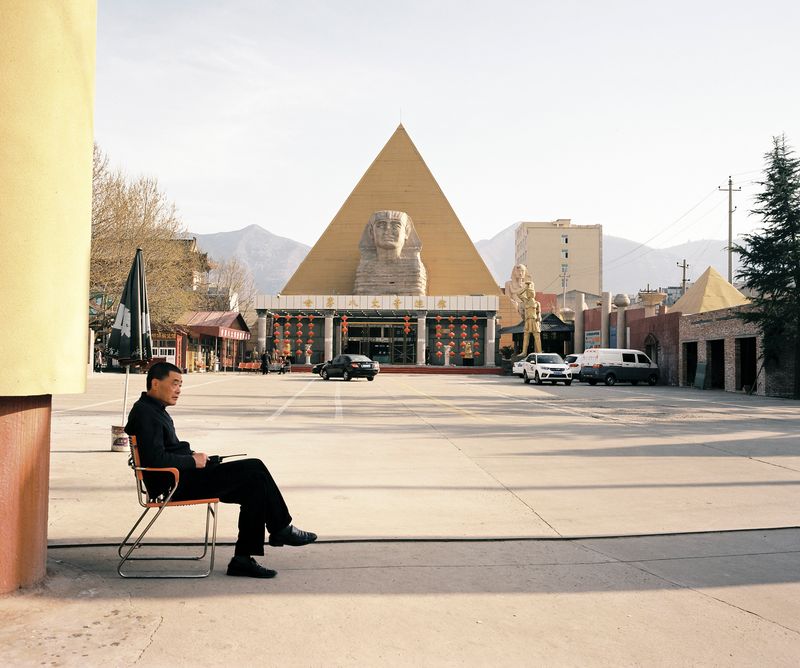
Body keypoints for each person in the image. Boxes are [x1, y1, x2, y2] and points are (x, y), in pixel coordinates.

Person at [125, 362, 316, 579]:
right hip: (173, 484)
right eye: (174, 383)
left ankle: (242, 559)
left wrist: (199, 459)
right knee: (254, 467)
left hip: (181, 477)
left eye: (181, 384)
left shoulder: (153, 409)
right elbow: (155, 459)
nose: (178, 390)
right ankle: (281, 528)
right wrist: (192, 462)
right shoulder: (145, 413)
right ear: (156, 383)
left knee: (254, 488)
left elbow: (163, 452)